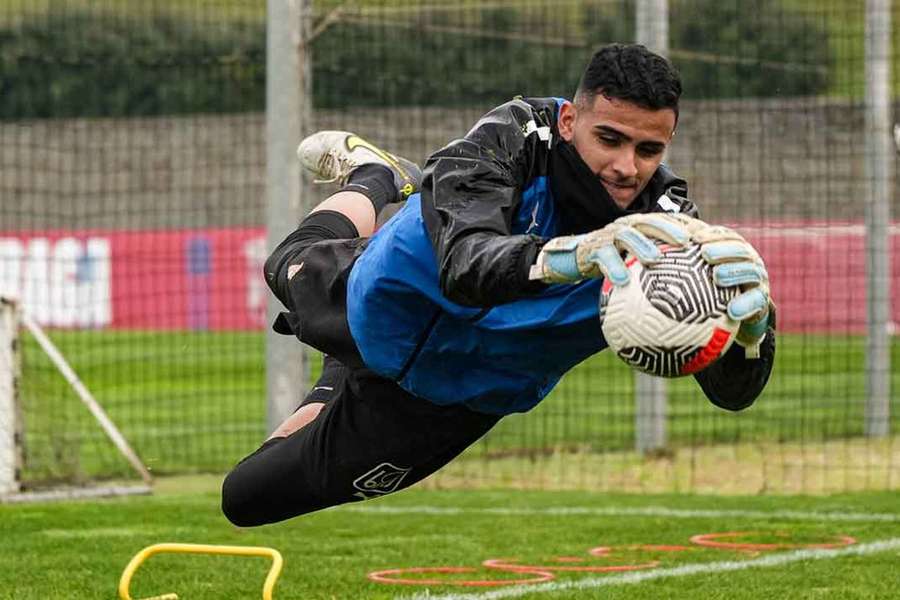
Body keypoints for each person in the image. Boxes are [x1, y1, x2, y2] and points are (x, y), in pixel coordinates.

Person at [221, 43, 775, 527]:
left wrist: (749, 334)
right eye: (609, 138)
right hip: (377, 298)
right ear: (568, 124)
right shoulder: (512, 136)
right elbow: (465, 267)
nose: (627, 167)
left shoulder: (671, 233)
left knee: (245, 497)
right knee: (285, 262)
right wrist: (575, 256)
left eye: (649, 151)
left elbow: (734, 396)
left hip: (451, 398)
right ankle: (378, 176)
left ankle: (332, 388)